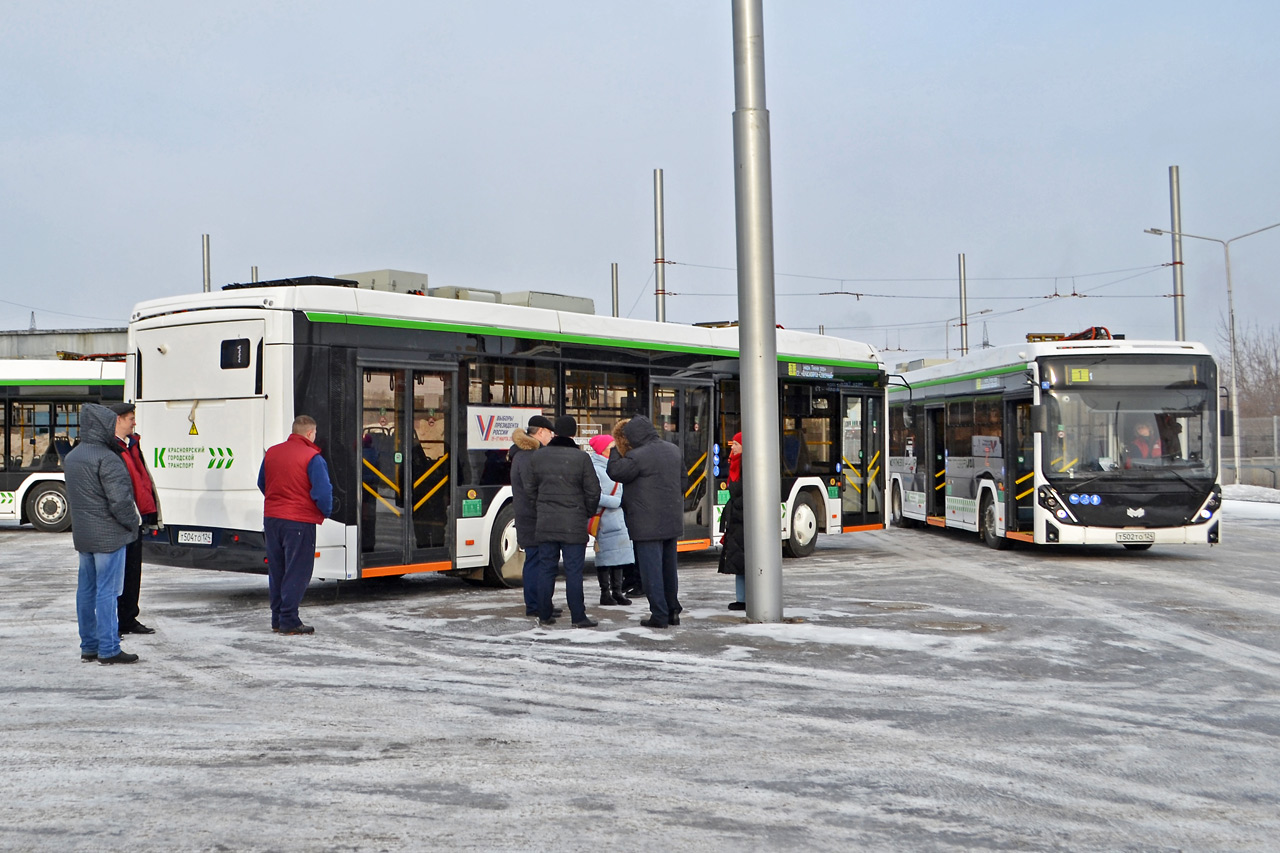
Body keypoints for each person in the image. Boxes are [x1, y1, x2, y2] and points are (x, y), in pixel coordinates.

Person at [64, 403, 142, 665]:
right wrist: (133, 525)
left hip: (84, 535)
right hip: (109, 537)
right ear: (103, 426)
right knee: (108, 592)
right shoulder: (108, 458)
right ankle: (109, 648)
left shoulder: (73, 457)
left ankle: (89, 645)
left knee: (86, 590)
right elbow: (120, 502)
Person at [257, 415, 333, 635]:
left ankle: (277, 619)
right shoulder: (313, 457)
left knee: (278, 569)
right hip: (299, 521)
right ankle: (289, 620)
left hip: (272, 519)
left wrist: (277, 501)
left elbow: (262, 482)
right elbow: (322, 492)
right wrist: (325, 511)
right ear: (310, 433)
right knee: (297, 570)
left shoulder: (272, 452)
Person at [607, 415, 684, 629]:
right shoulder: (673, 450)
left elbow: (615, 471)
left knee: (651, 571)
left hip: (647, 524)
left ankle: (659, 615)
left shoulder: (637, 456)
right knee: (669, 569)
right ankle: (673, 611)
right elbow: (683, 481)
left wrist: (615, 448)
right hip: (671, 520)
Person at [527, 415, 601, 628]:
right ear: (574, 433)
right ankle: (578, 617)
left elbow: (529, 490)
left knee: (546, 569)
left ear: (555, 432)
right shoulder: (581, 458)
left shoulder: (538, 457)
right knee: (574, 572)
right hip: (574, 524)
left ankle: (544, 614)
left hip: (546, 523)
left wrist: (541, 509)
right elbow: (593, 491)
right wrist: (585, 512)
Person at [110, 402, 161, 636]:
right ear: (118, 419)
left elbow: (141, 479)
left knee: (132, 572)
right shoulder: (112, 448)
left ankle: (129, 618)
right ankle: (116, 621)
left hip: (137, 518)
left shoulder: (133, 445)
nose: (134, 422)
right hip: (121, 520)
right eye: (130, 418)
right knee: (117, 575)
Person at [509, 414, 560, 618]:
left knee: (538, 561)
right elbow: (533, 490)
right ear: (540, 432)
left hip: (530, 516)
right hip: (534, 517)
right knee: (536, 561)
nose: (551, 436)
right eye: (549, 432)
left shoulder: (523, 454)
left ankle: (541, 603)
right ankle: (535, 605)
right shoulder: (529, 456)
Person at [587, 433, 633, 607]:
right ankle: (605, 593)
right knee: (605, 558)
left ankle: (617, 591)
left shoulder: (614, 466)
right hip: (605, 519)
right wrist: (618, 502)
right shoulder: (595, 469)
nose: (614, 451)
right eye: (611, 448)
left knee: (619, 557)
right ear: (602, 450)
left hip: (618, 519)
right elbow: (594, 496)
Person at [718, 432, 747, 611]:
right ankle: (741, 598)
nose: (732, 448)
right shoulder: (736, 464)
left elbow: (742, 491)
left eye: (736, 444)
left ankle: (746, 599)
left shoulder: (747, 465)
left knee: (744, 560)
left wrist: (736, 504)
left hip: (742, 519)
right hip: (737, 520)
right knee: (739, 561)